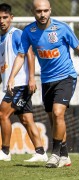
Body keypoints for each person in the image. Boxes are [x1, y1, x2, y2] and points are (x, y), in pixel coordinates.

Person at [7, 0, 79, 168]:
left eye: (45, 11)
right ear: (33, 12)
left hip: (66, 77)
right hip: (46, 80)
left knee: (58, 113)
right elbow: (21, 56)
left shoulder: (62, 28)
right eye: (38, 11)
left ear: (50, 10)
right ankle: (65, 155)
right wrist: (12, 77)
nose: (42, 14)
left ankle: (55, 154)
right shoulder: (29, 31)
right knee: (53, 119)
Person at [0, 3, 48, 162]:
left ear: (11, 18)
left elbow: (29, 54)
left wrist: (32, 78)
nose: (2, 21)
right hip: (13, 85)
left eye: (5, 17)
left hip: (21, 84)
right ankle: (41, 152)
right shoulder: (2, 39)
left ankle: (5, 152)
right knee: (26, 119)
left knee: (2, 114)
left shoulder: (16, 34)